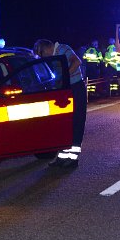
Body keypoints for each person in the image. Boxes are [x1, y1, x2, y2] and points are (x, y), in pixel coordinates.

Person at [33, 38, 86, 168]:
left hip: (75, 89)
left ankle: (73, 159)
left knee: (76, 122)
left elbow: (76, 62)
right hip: (65, 91)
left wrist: (65, 77)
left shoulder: (63, 48)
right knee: (65, 124)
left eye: (42, 53)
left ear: (46, 48)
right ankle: (62, 158)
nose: (42, 57)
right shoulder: (54, 56)